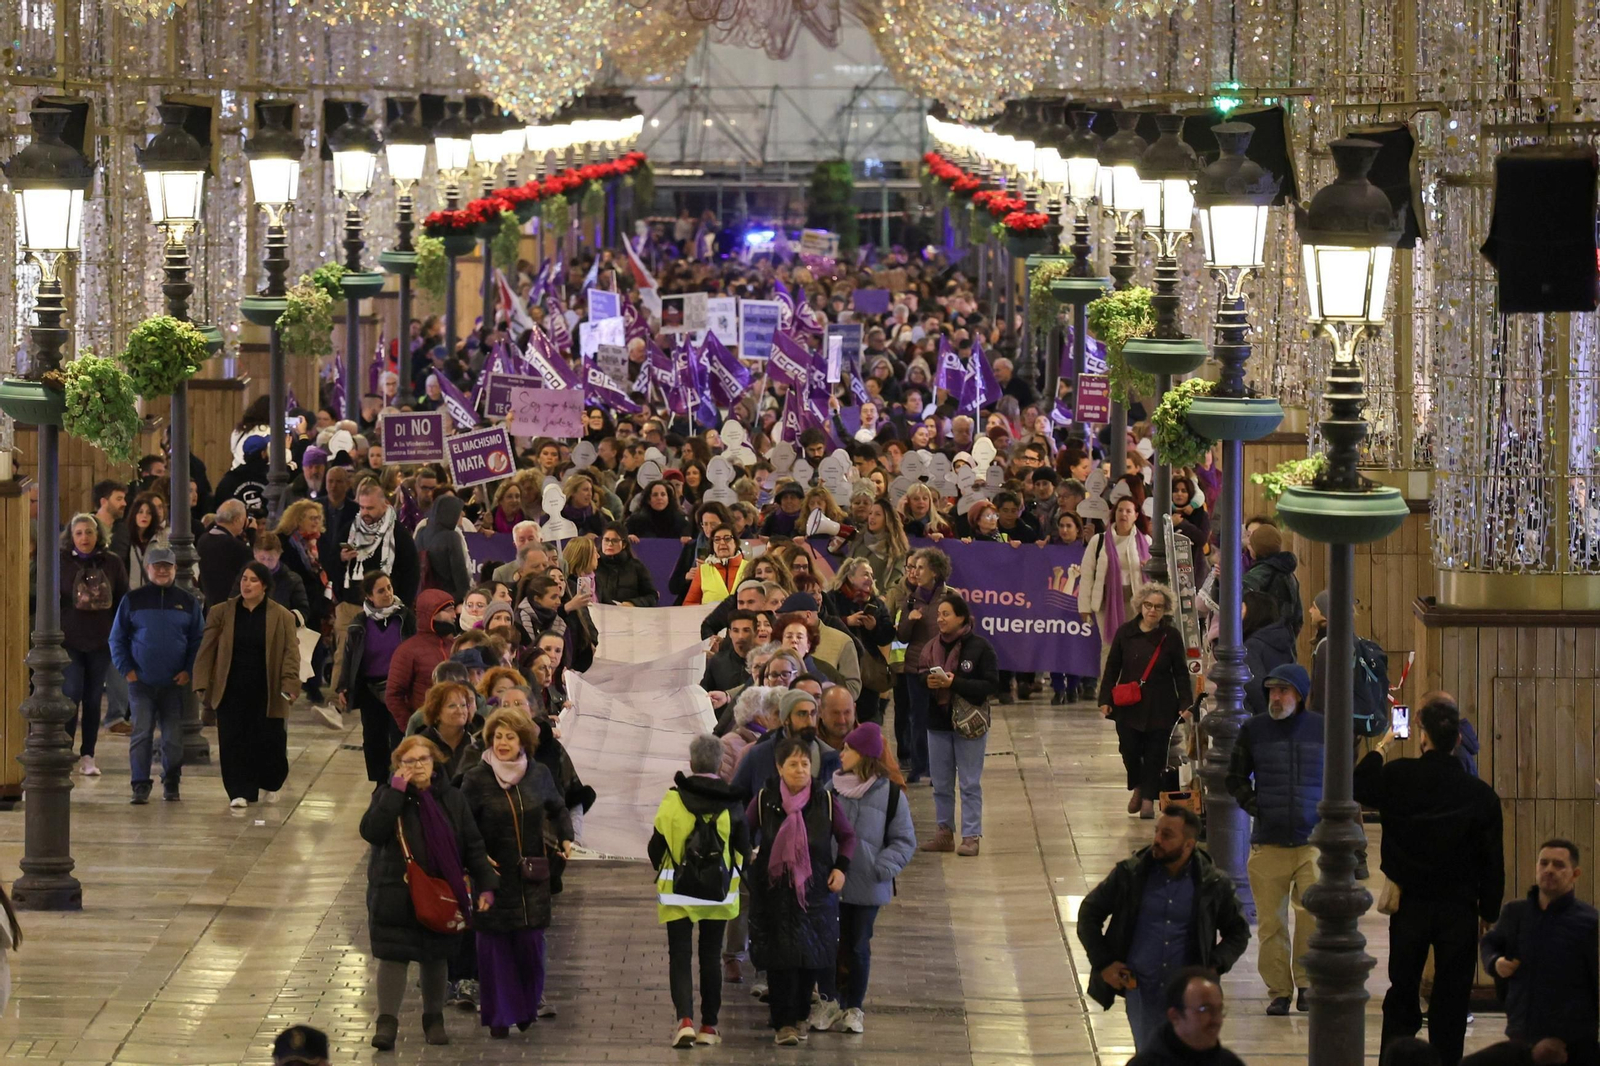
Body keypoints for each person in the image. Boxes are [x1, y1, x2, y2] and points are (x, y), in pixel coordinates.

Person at [1355, 695, 1505, 1066]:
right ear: (1457, 741)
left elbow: (1359, 785)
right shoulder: (1480, 794)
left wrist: (1384, 745)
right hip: (1459, 907)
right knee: (1452, 996)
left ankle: (1395, 1057)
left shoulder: (1400, 776)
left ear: (1423, 737)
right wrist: (1490, 909)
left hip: (1411, 904)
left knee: (1402, 989)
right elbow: (1492, 858)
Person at [359, 735, 497, 1050]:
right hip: (395, 894)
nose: (418, 766)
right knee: (393, 958)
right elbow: (371, 831)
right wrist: (394, 793)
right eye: (410, 761)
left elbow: (472, 846)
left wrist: (486, 884)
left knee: (436, 958)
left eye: (424, 759)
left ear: (434, 763)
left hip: (442, 893)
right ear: (398, 766)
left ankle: (433, 1019)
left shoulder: (452, 799)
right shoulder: (386, 795)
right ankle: (387, 1023)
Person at [1076, 806, 1251, 1051]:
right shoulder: (1131, 874)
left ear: (1189, 845)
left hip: (1189, 998)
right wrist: (1104, 962)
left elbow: (1238, 932)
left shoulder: (1213, 884)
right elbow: (1089, 913)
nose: (1157, 840)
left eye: (1167, 835)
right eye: (1157, 832)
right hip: (1142, 993)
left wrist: (1214, 965)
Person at [458, 707, 574, 1039]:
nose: (503, 742)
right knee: (494, 951)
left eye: (510, 736)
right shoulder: (475, 778)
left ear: (522, 740)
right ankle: (499, 1016)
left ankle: (524, 1009)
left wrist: (566, 835)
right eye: (497, 737)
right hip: (490, 878)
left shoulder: (538, 774)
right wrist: (474, 860)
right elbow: (462, 825)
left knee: (530, 949)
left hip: (531, 877)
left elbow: (558, 807)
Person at [744, 735, 858, 1046]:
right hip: (775, 893)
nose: (800, 770)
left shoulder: (825, 801)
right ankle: (783, 1023)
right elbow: (742, 829)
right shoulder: (765, 799)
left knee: (810, 958)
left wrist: (840, 869)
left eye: (805, 763)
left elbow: (847, 838)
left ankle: (799, 1016)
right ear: (779, 767)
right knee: (781, 960)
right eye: (793, 764)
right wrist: (750, 857)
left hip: (815, 892)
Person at [1224, 662, 1322, 1016]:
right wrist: (1256, 805)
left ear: (1299, 694)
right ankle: (1279, 990)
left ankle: (1308, 985)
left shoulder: (1322, 729)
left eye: (1283, 690)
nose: (1276, 697)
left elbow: (1341, 778)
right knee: (1271, 924)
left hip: (1312, 841)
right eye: (1272, 691)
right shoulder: (1254, 730)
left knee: (1311, 917)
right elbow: (1234, 777)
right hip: (1269, 842)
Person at [648, 733, 751, 1048]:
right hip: (718, 895)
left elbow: (655, 849)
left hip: (677, 892)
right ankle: (709, 1025)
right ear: (721, 764)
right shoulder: (733, 804)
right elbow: (744, 851)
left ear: (691, 764)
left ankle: (685, 1021)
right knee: (709, 956)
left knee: (679, 955)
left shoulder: (672, 800)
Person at [817, 722, 914, 1034]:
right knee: (827, 945)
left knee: (858, 946)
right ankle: (829, 1001)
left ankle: (853, 1007)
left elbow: (904, 841)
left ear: (864, 755)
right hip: (831, 884)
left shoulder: (891, 796)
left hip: (868, 887)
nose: (842, 753)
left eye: (848, 749)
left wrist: (880, 868)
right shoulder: (830, 790)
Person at [1480, 839, 1598, 1066]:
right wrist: (1496, 963)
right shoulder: (1515, 913)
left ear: (1575, 873)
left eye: (1558, 865)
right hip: (1522, 1031)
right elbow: (1490, 943)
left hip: (1573, 1041)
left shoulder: (1589, 922)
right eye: (1543, 863)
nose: (1549, 870)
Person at [193, 561, 300, 808]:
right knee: (233, 740)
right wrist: (201, 682)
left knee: (269, 740)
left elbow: (290, 654)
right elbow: (207, 649)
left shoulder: (281, 615)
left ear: (264, 585)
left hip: (267, 688)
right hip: (231, 687)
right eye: (244, 579)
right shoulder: (222, 612)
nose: (247, 584)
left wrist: (290, 684)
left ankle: (270, 781)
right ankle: (239, 791)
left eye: (253, 580)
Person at [109, 546, 205, 804]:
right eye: (157, 566)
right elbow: (116, 639)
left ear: (174, 569)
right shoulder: (132, 600)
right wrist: (126, 670)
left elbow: (198, 640)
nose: (162, 570)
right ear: (147, 569)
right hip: (140, 684)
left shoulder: (187, 602)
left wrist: (188, 670)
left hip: (175, 684)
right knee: (141, 735)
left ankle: (171, 780)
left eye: (167, 566)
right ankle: (140, 784)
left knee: (173, 738)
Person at [917, 592, 999, 857]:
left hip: (968, 725)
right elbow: (919, 675)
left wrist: (955, 683)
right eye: (939, 614)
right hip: (938, 722)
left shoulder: (980, 647)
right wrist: (927, 682)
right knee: (940, 783)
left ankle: (971, 836)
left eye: (946, 614)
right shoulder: (931, 647)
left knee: (969, 783)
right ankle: (944, 833)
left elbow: (990, 685)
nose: (940, 619)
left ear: (961, 617)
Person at [1098, 583, 1190, 819]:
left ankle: (1148, 798)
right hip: (1129, 704)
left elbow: (1181, 671)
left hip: (1161, 703)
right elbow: (1112, 667)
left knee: (1155, 753)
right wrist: (1105, 697)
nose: (1153, 611)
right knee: (1128, 749)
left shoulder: (1171, 636)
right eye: (1149, 605)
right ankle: (1138, 785)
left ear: (1165, 610)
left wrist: (1185, 703)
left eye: (1159, 607)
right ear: (1140, 606)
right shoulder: (1125, 632)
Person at [60, 512, 129, 777]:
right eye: (78, 533)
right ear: (71, 537)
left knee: (92, 699)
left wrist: (121, 635)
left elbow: (123, 598)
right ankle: (65, 752)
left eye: (89, 532)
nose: (84, 537)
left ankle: (88, 754)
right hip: (69, 639)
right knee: (71, 693)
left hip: (101, 639)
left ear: (98, 534)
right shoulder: (61, 562)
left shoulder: (111, 562)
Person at [332, 480, 420, 685]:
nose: (365, 512)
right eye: (362, 507)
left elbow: (411, 573)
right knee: (343, 655)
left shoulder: (399, 535)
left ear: (385, 506)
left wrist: (401, 607)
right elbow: (330, 562)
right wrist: (341, 558)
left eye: (370, 507)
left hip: (387, 610)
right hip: (351, 606)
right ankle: (337, 704)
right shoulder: (349, 530)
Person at [336, 572, 416, 783]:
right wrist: (343, 685)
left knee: (399, 736)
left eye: (389, 587)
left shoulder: (406, 617)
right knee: (373, 739)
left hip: (399, 688)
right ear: (370, 596)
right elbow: (349, 656)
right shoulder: (359, 623)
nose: (388, 593)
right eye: (381, 590)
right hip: (370, 689)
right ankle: (380, 782)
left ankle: (399, 780)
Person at [274, 499, 335, 722]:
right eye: (311, 518)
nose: (316, 522)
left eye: (318, 518)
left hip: (317, 600)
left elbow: (327, 566)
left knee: (316, 643)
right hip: (293, 600)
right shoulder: (286, 542)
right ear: (298, 520)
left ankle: (314, 685)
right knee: (293, 645)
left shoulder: (322, 541)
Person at [895, 547, 949, 784]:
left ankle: (940, 767)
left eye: (920, 567)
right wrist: (909, 619)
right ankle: (919, 766)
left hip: (942, 668)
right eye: (913, 567)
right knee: (917, 718)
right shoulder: (910, 599)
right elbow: (903, 636)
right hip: (916, 667)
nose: (915, 572)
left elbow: (963, 630)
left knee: (940, 719)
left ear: (935, 572)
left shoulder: (950, 598)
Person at [1079, 496, 1151, 669]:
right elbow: (1087, 575)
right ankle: (1107, 690)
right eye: (1120, 510)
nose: (1123, 514)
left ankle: (1130, 691)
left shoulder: (1146, 542)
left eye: (1128, 511)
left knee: (1135, 646)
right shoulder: (1099, 541)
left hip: (1136, 602)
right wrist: (1084, 607)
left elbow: (1156, 575)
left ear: (1135, 516)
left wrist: (1147, 567)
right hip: (1106, 602)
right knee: (1109, 647)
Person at [731, 689, 842, 799]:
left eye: (812, 713)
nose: (809, 721)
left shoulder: (831, 757)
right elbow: (735, 798)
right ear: (786, 719)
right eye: (802, 714)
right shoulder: (759, 755)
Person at [1125, 968, 1248, 1066]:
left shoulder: (1230, 1063)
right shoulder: (1144, 1064)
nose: (1216, 1020)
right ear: (1175, 1016)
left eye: (1219, 1010)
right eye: (1205, 1009)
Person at [823, 559, 893, 723]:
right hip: (838, 669)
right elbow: (823, 624)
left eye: (871, 575)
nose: (870, 578)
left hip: (867, 675)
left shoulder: (876, 603)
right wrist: (846, 621)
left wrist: (874, 628)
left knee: (869, 721)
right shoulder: (831, 598)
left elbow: (887, 636)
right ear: (851, 576)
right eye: (865, 574)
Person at [385, 589, 458, 735]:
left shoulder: (456, 646)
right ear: (431, 613)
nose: (454, 615)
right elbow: (393, 695)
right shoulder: (407, 650)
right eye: (449, 610)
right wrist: (412, 728)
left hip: (455, 729)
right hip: (425, 730)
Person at [415, 681, 485, 783]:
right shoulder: (421, 743)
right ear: (436, 712)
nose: (460, 710)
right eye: (452, 706)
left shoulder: (477, 740)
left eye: (463, 705)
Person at [1243, 522, 1303, 638]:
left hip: (1261, 641)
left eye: (1251, 545)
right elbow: (1298, 617)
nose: (1248, 547)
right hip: (1285, 642)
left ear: (1258, 549)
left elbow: (1236, 595)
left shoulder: (1261, 573)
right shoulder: (1290, 575)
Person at [1242, 590, 1296, 718]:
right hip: (1286, 712)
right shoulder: (1282, 639)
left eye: (1242, 609)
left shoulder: (1252, 645)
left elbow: (1255, 687)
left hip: (1261, 719)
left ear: (1253, 612)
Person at [198, 499, 254, 611]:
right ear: (237, 520)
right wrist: (252, 535)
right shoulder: (237, 547)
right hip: (232, 609)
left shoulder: (203, 540)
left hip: (210, 607)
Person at [416, 493, 473, 602]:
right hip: (448, 601)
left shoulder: (421, 532)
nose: (462, 513)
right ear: (449, 513)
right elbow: (461, 581)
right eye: (458, 511)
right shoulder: (452, 537)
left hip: (424, 599)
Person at [594, 522, 658, 606]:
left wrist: (633, 603)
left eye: (615, 540)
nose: (610, 544)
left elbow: (652, 596)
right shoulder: (593, 565)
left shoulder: (636, 567)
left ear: (624, 544)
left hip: (628, 615)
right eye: (606, 540)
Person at [683, 526, 746, 606]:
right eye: (717, 539)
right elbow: (689, 603)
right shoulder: (703, 570)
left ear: (736, 543)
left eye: (727, 538)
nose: (722, 543)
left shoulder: (750, 567)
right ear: (712, 545)